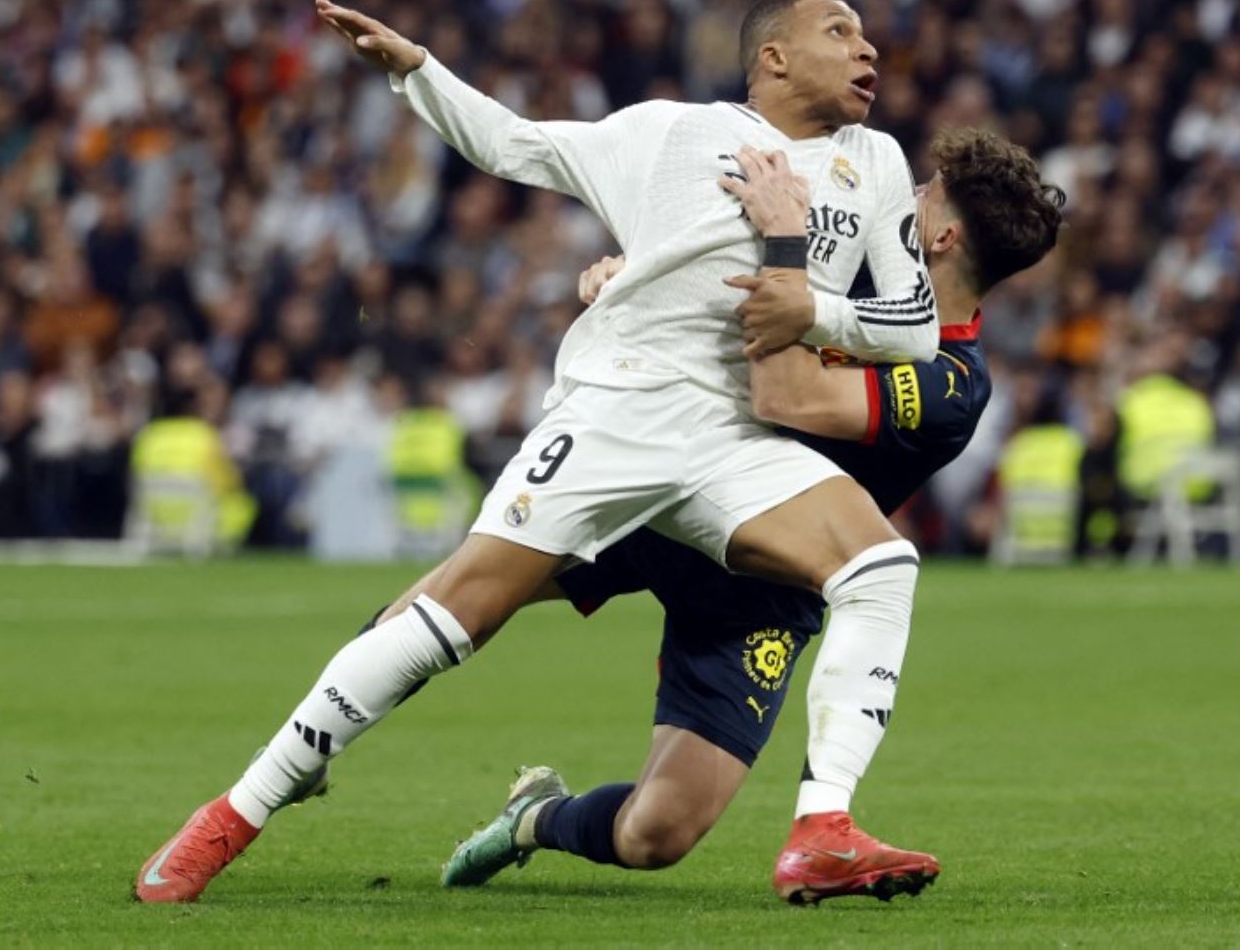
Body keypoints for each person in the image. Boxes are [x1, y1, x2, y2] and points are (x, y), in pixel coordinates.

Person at [136, 0, 947, 905]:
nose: (867, 46)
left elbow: (915, 325)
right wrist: (419, 72)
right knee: (454, 617)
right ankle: (234, 813)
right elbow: (514, 143)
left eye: (867, 33)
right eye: (840, 30)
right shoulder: (670, 134)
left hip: (734, 435)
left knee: (881, 564)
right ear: (774, 58)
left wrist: (816, 305)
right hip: (621, 410)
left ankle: (823, 828)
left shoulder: (874, 161)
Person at [432, 128, 1063, 902]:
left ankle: (535, 817)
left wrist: (785, 242)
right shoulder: (854, 265)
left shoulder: (948, 384)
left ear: (942, 235)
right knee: (451, 608)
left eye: (920, 195)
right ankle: (300, 756)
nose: (898, 198)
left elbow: (784, 396)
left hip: (761, 586)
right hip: (664, 492)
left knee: (654, 834)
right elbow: (701, 287)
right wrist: (632, 278)